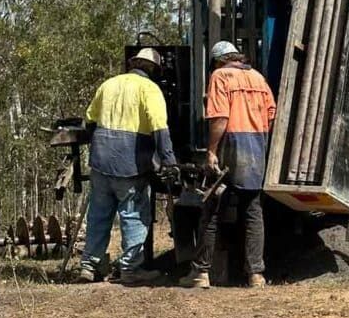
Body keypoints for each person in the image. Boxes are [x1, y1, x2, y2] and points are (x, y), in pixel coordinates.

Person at [180, 41, 276, 290]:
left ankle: (201, 272)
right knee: (252, 211)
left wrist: (212, 151)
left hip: (231, 144)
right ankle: (256, 274)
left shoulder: (220, 76)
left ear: (218, 61)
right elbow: (271, 114)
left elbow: (220, 117)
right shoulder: (258, 78)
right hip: (256, 145)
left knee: (212, 208)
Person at [79, 48, 177, 285]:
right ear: (153, 70)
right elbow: (159, 128)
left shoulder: (109, 84)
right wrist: (169, 161)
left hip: (101, 161)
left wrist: (100, 146)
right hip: (129, 164)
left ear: (133, 63)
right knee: (133, 215)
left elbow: (89, 120)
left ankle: (89, 266)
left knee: (99, 214)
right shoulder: (150, 89)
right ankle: (131, 268)